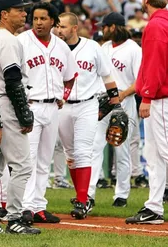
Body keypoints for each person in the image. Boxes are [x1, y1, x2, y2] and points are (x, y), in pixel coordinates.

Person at [0, 0, 39, 235]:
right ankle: (15, 218)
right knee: (22, 166)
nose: (24, 13)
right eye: (18, 9)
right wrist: (23, 113)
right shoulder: (9, 41)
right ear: (4, 14)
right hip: (6, 104)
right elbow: (13, 79)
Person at [17, 2, 78, 225]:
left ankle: (39, 207)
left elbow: (71, 76)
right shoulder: (21, 42)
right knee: (28, 160)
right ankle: (24, 208)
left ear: (53, 21)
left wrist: (64, 94)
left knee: (44, 160)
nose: (39, 22)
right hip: (30, 105)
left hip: (53, 107)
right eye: (35, 19)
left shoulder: (61, 47)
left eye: (43, 18)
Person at [56, 12, 121, 219]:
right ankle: (80, 196)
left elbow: (107, 76)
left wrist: (115, 102)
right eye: (58, 27)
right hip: (63, 107)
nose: (59, 30)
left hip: (87, 104)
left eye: (63, 27)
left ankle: (83, 201)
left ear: (74, 28)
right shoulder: (54, 48)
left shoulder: (93, 47)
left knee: (84, 151)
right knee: (70, 155)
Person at [88, 12, 141, 208]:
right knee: (95, 146)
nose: (102, 29)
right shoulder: (104, 47)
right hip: (103, 101)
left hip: (124, 102)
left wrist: (123, 94)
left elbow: (140, 81)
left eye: (105, 26)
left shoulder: (133, 49)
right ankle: (89, 193)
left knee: (121, 148)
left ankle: (121, 195)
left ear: (114, 27)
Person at [127, 0, 168, 224]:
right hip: (161, 97)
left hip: (161, 99)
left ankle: (154, 207)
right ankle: (153, 207)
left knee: (164, 152)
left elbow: (155, 63)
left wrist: (147, 96)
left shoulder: (155, 25)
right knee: (154, 156)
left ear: (145, 0)